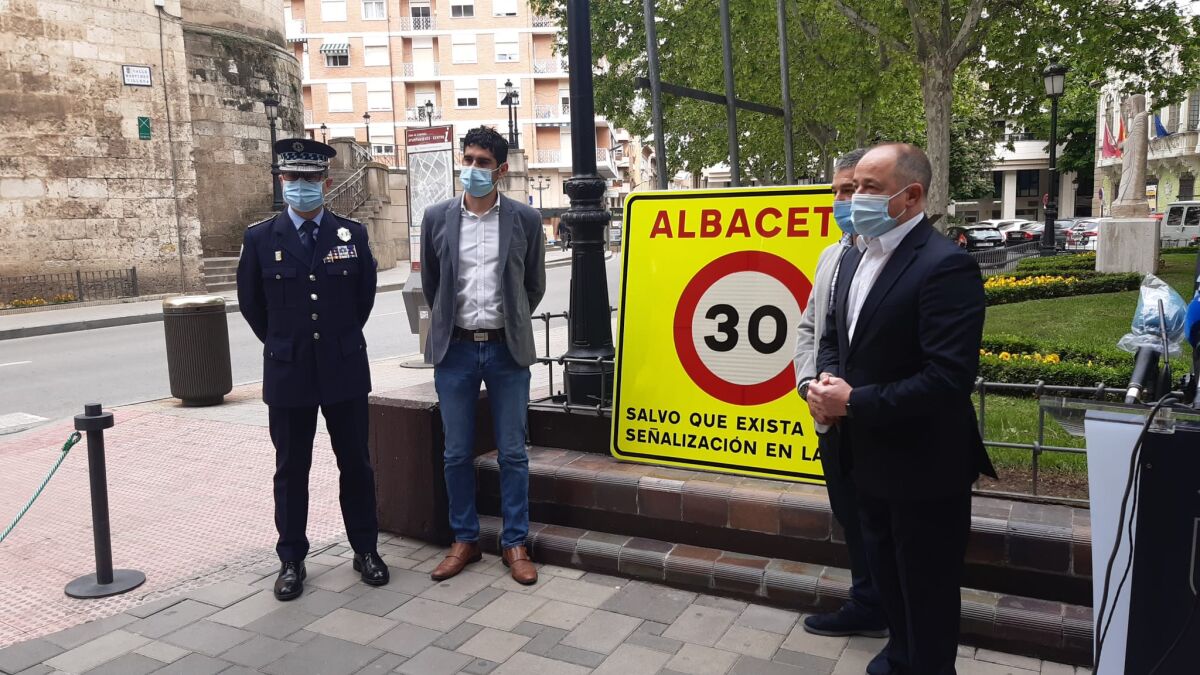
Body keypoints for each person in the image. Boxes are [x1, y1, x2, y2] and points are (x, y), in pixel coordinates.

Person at [809, 143, 996, 674]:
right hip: (865, 461)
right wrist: (825, 384)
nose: (853, 198)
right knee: (889, 582)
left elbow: (947, 379)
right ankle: (897, 660)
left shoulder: (945, 265)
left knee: (926, 594)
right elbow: (834, 338)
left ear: (910, 196)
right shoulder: (854, 256)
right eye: (851, 187)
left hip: (924, 469)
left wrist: (854, 401)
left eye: (868, 188)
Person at [236, 138, 390, 601]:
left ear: (326, 181)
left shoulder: (351, 235)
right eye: (292, 177)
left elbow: (363, 299)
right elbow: (252, 305)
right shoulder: (260, 238)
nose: (301, 185)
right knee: (291, 469)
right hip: (289, 370)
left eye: (310, 178)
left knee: (356, 464)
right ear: (282, 181)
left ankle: (365, 550)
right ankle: (291, 559)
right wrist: (286, 344)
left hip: (343, 366)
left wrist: (336, 339)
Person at [420, 127, 546, 585]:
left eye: (483, 162)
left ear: (501, 170)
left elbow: (533, 285)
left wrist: (509, 322)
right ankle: (465, 540)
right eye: (468, 159)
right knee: (456, 453)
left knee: (513, 452)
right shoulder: (436, 217)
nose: (472, 169)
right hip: (454, 350)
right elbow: (433, 284)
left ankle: (515, 542)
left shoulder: (524, 219)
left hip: (505, 350)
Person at [791, 149, 890, 663]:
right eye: (837, 191)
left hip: (878, 418)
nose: (843, 201)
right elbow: (813, 328)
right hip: (831, 420)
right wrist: (811, 389)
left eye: (852, 190)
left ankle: (898, 617)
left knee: (885, 523)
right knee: (850, 514)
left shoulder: (903, 257)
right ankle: (867, 603)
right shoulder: (834, 256)